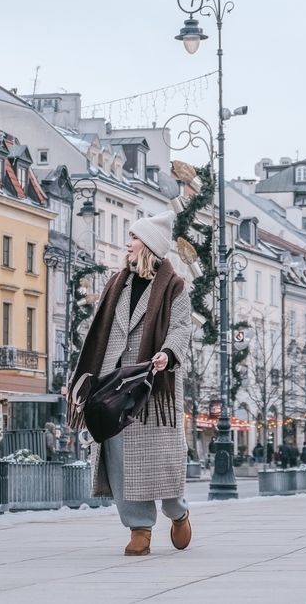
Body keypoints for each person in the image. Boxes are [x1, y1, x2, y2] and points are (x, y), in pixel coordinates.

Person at [68, 212, 192, 556]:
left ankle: (177, 512)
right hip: (113, 383)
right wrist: (87, 376)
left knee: (162, 461)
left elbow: (181, 327)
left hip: (154, 384)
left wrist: (168, 352)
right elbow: (99, 329)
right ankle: (139, 528)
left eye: (134, 238)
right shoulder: (116, 283)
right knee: (121, 458)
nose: (128, 244)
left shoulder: (174, 286)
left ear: (149, 245)